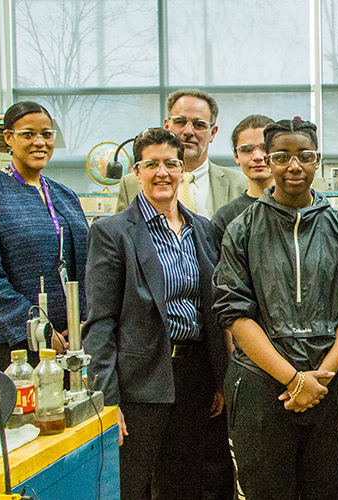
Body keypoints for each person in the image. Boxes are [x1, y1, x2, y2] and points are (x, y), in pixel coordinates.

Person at [214, 118, 338, 500]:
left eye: (304, 155)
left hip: (330, 385)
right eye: (282, 157)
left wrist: (321, 377)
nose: (294, 166)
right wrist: (292, 379)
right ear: (268, 161)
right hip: (260, 385)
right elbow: (235, 313)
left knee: (327, 490)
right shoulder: (242, 228)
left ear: (318, 159)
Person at [85, 128, 230, 500]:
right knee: (132, 485)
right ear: (137, 171)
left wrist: (218, 379)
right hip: (140, 382)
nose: (162, 173)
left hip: (195, 376)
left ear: (183, 170)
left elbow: (212, 310)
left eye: (170, 163)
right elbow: (100, 321)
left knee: (184, 483)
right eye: (152, 164)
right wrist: (107, 399)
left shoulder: (203, 229)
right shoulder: (113, 232)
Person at [0, 101, 87, 370]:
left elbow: (83, 266)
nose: (39, 142)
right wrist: (38, 327)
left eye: (47, 134)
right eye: (28, 134)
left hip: (64, 339)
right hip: (2, 341)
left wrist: (81, 320)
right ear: (8, 137)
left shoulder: (65, 195)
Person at [117, 89, 248, 216]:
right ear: (167, 126)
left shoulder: (240, 184)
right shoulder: (131, 185)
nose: (188, 131)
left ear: (213, 133)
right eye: (180, 122)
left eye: (199, 124)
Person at [211, 114, 276, 230]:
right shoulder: (225, 217)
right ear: (236, 156)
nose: (257, 156)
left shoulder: (301, 207)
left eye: (265, 148)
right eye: (247, 150)